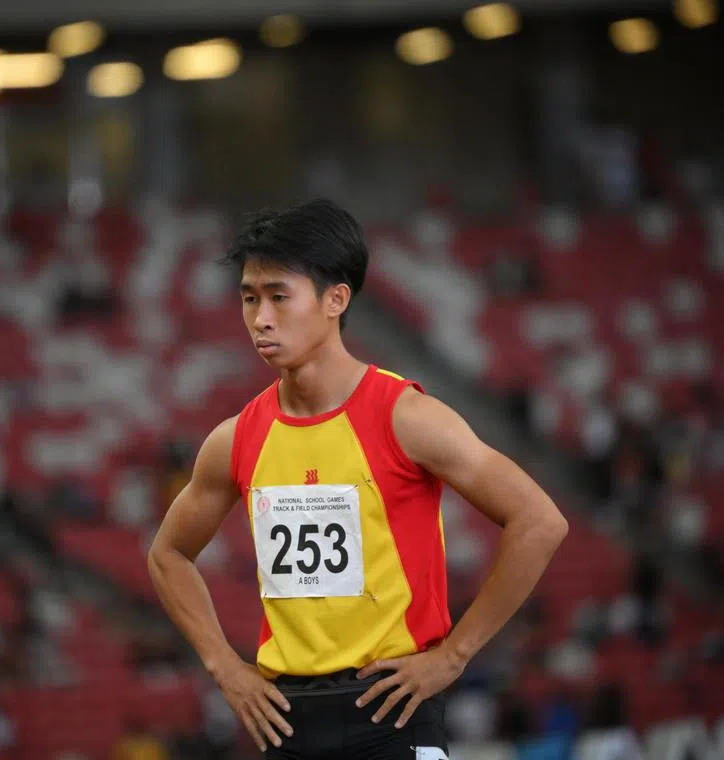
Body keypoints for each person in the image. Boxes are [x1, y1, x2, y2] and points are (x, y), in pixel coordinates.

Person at [147, 199, 569, 759]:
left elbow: (539, 521)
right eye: (249, 298)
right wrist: (224, 666)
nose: (261, 318)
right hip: (286, 723)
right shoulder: (236, 438)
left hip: (392, 716)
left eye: (279, 296)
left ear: (336, 299)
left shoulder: (407, 418)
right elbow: (168, 555)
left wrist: (454, 655)